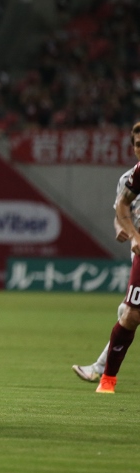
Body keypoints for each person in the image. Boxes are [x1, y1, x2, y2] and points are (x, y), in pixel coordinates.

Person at [72, 122, 140, 386]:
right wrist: (125, 231)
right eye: (138, 145)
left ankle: (100, 369)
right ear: (132, 147)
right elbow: (120, 212)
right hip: (138, 249)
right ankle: (103, 371)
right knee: (130, 311)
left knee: (128, 311)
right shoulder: (128, 179)